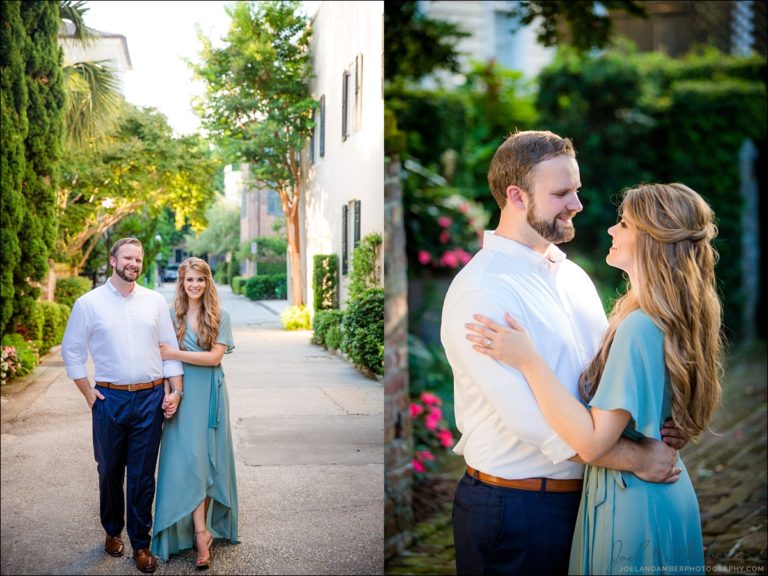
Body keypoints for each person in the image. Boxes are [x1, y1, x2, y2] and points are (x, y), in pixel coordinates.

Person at [440, 130, 686, 576]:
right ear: (516, 196)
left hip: (593, 500)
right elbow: (531, 423)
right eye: (560, 194)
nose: (577, 204)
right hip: (517, 510)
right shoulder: (482, 290)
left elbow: (603, 384)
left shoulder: (572, 276)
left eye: (576, 189)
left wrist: (653, 429)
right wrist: (639, 459)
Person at [467, 182, 721, 575]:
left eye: (624, 223)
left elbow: (592, 441)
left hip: (634, 508)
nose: (611, 230)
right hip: (660, 493)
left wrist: (528, 360)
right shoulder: (669, 315)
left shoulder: (639, 326)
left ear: (653, 240)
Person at [62, 237, 184, 574]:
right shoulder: (89, 303)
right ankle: (112, 531)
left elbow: (168, 349)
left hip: (149, 397)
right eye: (128, 257)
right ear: (113, 260)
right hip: (109, 398)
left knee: (143, 476)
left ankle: (141, 545)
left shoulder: (155, 302)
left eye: (138, 258)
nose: (134, 263)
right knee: (109, 471)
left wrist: (175, 391)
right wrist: (87, 392)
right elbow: (71, 350)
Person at [150, 257, 239, 569]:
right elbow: (163, 364)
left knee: (204, 462)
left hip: (210, 395)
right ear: (182, 282)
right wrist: (168, 394)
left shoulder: (219, 315)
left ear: (208, 282)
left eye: (200, 280)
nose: (195, 285)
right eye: (190, 280)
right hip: (182, 394)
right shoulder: (171, 315)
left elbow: (215, 358)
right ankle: (190, 531)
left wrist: (174, 352)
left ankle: (202, 535)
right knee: (184, 462)